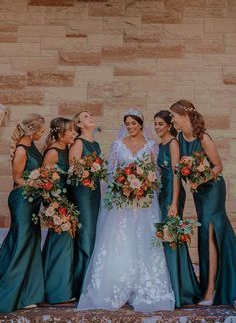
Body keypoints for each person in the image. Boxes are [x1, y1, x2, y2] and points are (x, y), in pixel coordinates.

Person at [77, 109, 175, 312]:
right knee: (120, 241)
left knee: (142, 240)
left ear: (140, 124)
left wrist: (144, 185)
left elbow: (156, 175)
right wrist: (123, 187)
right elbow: (111, 173)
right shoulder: (117, 145)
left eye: (133, 123)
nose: (130, 127)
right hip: (121, 204)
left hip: (144, 204)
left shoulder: (151, 146)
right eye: (127, 124)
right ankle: (114, 286)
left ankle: (144, 287)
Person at [170, 99, 236, 306]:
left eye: (174, 116)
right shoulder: (179, 138)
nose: (172, 120)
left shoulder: (203, 138)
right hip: (199, 193)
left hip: (213, 188)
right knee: (209, 234)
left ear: (184, 116)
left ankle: (210, 291)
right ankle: (217, 282)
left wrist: (200, 177)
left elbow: (218, 167)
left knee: (210, 233)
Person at [154, 110, 201, 307]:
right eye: (155, 124)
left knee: (171, 237)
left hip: (172, 194)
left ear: (169, 125)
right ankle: (170, 285)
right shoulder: (160, 144)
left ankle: (180, 290)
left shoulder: (173, 143)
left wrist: (173, 203)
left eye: (161, 124)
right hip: (161, 193)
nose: (157, 128)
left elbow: (175, 175)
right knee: (165, 238)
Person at [0, 114, 45, 313]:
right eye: (41, 131)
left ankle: (28, 294)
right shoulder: (21, 149)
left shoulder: (33, 147)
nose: (43, 134)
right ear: (33, 131)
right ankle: (10, 294)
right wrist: (39, 184)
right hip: (21, 200)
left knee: (31, 243)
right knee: (21, 242)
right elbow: (18, 178)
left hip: (33, 200)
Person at [42, 117, 76, 304]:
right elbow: (45, 183)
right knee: (60, 247)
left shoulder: (67, 149)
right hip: (57, 206)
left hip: (67, 202)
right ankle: (57, 294)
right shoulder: (53, 152)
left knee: (65, 246)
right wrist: (54, 209)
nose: (73, 133)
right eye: (70, 130)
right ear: (61, 134)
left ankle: (60, 289)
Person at [69, 111, 101, 298]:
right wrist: (88, 172)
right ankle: (82, 286)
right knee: (86, 234)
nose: (91, 117)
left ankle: (92, 281)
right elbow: (73, 170)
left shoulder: (95, 144)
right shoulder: (79, 143)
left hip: (94, 192)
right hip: (82, 193)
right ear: (80, 125)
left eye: (91, 115)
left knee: (94, 232)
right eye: (86, 117)